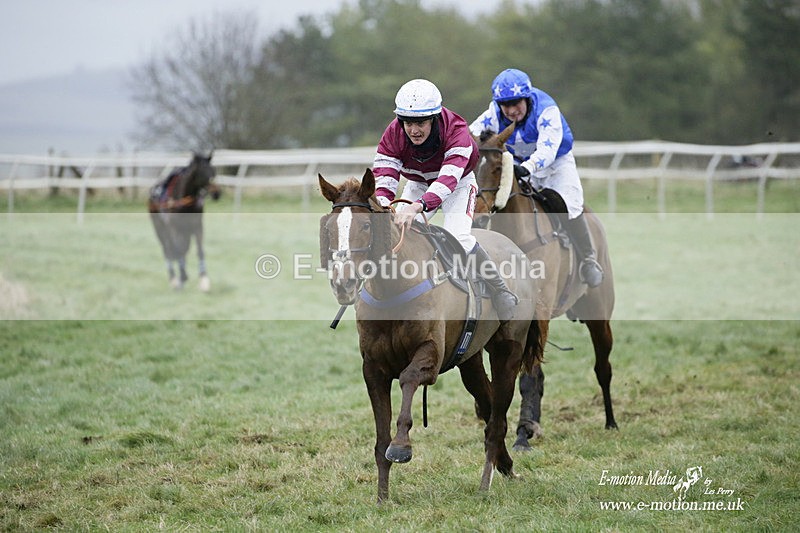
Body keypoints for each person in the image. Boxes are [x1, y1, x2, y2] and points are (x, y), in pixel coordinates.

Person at [372, 78, 517, 321]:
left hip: (458, 183)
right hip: (418, 183)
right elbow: (385, 175)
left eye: (420, 123)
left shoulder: (456, 130)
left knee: (459, 237)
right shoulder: (393, 134)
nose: (414, 130)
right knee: (396, 233)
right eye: (408, 122)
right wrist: (385, 207)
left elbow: (448, 180)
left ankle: (500, 290)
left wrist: (417, 207)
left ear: (434, 118)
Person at [470, 68, 604, 287]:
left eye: (516, 104)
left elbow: (547, 151)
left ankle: (588, 259)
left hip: (555, 164)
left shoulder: (546, 109)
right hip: (520, 163)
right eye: (506, 105)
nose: (512, 111)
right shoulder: (494, 112)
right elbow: (471, 134)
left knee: (570, 204)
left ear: (527, 98)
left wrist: (528, 167)